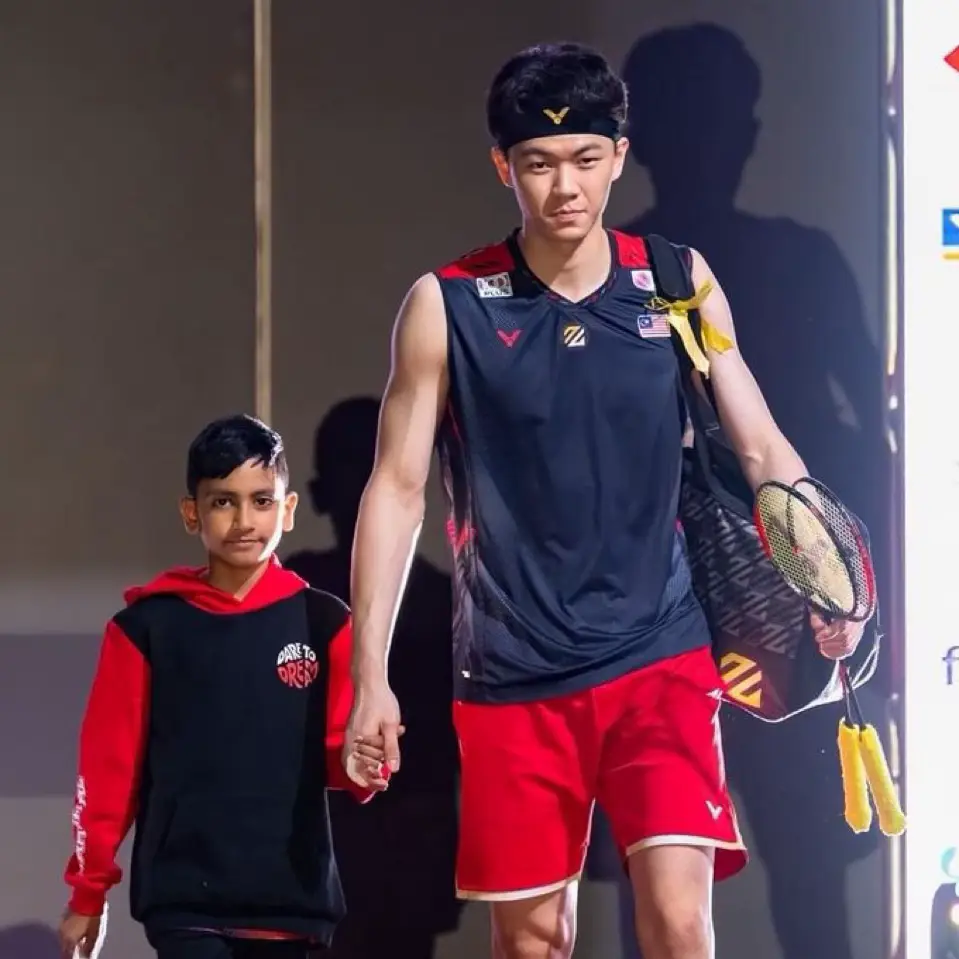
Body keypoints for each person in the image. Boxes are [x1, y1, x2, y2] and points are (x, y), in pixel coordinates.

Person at [343, 43, 865, 959]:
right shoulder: (448, 303)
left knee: (676, 924)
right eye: (538, 165)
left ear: (619, 155)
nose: (565, 187)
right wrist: (369, 676)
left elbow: (760, 443)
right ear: (503, 166)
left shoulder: (674, 281)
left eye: (586, 159)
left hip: (659, 655)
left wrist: (827, 581)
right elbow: (396, 488)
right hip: (511, 670)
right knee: (535, 941)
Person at [57, 414, 387, 959]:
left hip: (290, 902)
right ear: (192, 512)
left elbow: (340, 756)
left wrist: (365, 765)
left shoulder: (325, 623)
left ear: (288, 509)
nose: (243, 519)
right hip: (186, 903)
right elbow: (108, 772)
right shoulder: (147, 629)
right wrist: (88, 893)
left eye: (261, 500)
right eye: (222, 501)